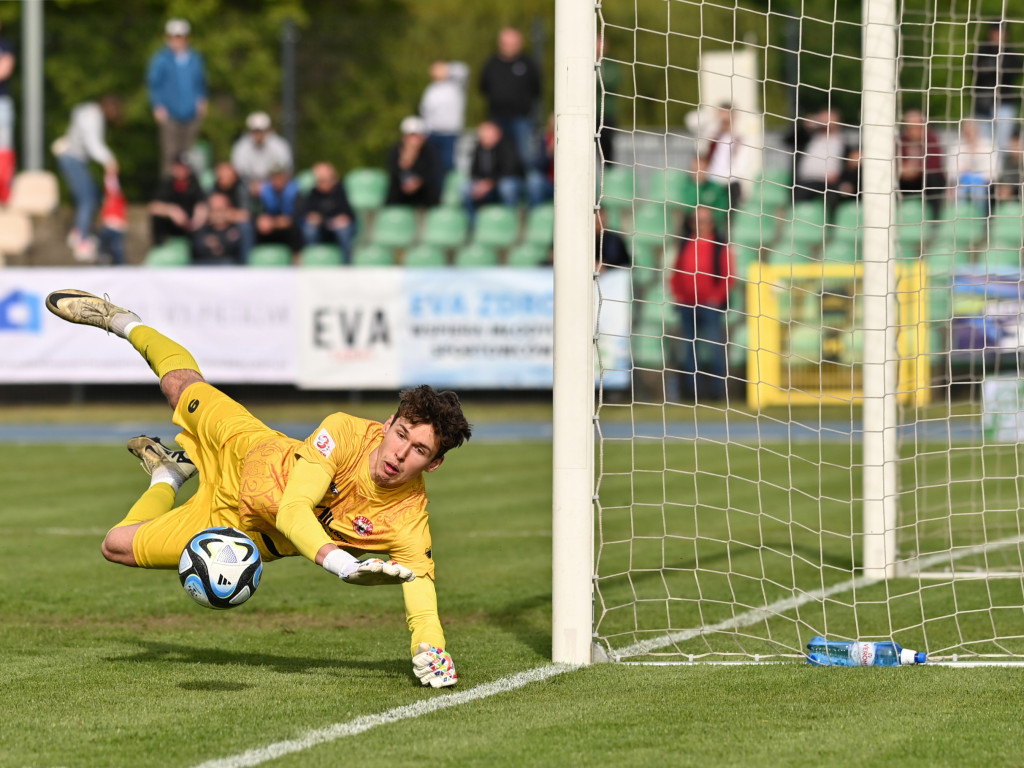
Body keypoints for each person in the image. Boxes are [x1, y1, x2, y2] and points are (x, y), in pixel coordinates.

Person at [43, 289, 470, 688]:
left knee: (115, 545)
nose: (400, 452)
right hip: (246, 448)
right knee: (181, 386)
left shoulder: (407, 518)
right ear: (388, 424)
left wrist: (431, 650)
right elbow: (293, 509)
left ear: (433, 463)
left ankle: (168, 475)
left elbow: (421, 596)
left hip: (238, 532)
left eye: (419, 450)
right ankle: (121, 320)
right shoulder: (345, 432)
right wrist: (342, 564)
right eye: (401, 434)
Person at [670, 206, 733, 402]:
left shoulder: (720, 245)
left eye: (704, 220)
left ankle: (718, 392)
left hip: (710, 306)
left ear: (712, 223)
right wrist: (679, 295)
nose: (700, 224)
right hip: (687, 305)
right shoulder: (685, 244)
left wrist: (717, 297)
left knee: (715, 348)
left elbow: (729, 276)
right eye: (696, 220)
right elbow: (676, 273)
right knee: (689, 349)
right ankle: (692, 392)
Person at [52, 95, 123, 262]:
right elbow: (93, 144)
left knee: (94, 194)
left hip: (74, 159)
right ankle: (81, 239)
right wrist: (108, 159)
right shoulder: (93, 117)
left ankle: (78, 230)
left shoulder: (88, 113)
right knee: (87, 199)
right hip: (73, 159)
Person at [147, 18, 208, 176]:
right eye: (174, 37)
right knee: (170, 154)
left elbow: (201, 83)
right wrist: (157, 105)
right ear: (167, 38)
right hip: (170, 113)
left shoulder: (195, 59)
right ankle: (168, 188)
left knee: (189, 155)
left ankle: (189, 188)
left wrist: (202, 100)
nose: (177, 41)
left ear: (187, 38)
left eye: (181, 37)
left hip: (191, 113)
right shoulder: (161, 59)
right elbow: (154, 84)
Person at [479, 27, 542, 168]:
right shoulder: (492, 64)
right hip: (496, 119)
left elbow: (537, 89)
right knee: (496, 159)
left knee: (526, 157)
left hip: (522, 119)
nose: (509, 47)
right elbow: (483, 88)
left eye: (513, 43)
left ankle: (530, 181)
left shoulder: (527, 64)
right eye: (506, 43)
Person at [973, 20, 1024, 154]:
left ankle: (1001, 166)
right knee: (984, 144)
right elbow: (976, 71)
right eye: (995, 33)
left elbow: (1014, 70)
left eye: (1001, 33)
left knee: (1003, 143)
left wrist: (992, 66)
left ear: (1006, 35)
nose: (997, 37)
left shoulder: (1012, 54)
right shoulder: (981, 51)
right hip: (983, 106)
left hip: (1004, 104)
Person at [461, 120, 524, 224]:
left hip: (504, 183)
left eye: (486, 133)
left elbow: (509, 170)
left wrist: (490, 183)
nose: (482, 136)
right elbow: (473, 171)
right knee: (465, 188)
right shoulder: (479, 148)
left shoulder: (507, 146)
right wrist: (480, 185)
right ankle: (474, 224)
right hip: (486, 186)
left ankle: (512, 220)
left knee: (507, 186)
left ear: (497, 134)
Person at [298, 161, 357, 263]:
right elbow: (307, 215)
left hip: (338, 228)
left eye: (326, 180)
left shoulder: (340, 190)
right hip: (321, 228)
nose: (323, 184)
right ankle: (312, 262)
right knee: (309, 231)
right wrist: (314, 219)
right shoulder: (313, 193)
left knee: (344, 232)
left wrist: (340, 220)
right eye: (320, 181)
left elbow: (348, 215)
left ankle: (347, 265)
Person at [419, 61, 469, 178]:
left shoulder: (456, 85)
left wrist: (447, 68)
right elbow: (425, 111)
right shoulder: (431, 89)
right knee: (432, 165)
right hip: (432, 133)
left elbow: (464, 70)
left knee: (448, 165)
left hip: (450, 134)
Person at [230, 111, 294, 199]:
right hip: (247, 184)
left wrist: (266, 185)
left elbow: (285, 168)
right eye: (255, 131)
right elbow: (238, 170)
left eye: (261, 130)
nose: (258, 134)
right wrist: (253, 184)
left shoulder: (279, 145)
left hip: (273, 184)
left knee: (289, 190)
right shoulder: (241, 146)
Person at [148, 152, 208, 246]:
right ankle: (160, 245)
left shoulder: (194, 183)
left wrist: (197, 220)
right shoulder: (167, 183)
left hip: (190, 229)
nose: (182, 170)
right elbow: (153, 207)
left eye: (184, 167)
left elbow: (202, 204)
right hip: (170, 229)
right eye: (179, 167)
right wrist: (171, 210)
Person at [897, 109, 947, 220]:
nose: (913, 131)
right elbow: (895, 161)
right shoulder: (901, 141)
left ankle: (935, 221)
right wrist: (902, 169)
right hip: (905, 179)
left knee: (933, 179)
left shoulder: (931, 140)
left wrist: (916, 169)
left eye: (916, 127)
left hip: (925, 179)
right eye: (910, 127)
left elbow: (934, 164)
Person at [793, 108, 847, 205]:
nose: (826, 121)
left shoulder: (842, 141)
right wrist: (805, 127)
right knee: (799, 201)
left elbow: (849, 163)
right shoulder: (809, 137)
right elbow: (788, 140)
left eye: (829, 118)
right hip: (806, 181)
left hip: (831, 183)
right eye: (823, 117)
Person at [385, 116, 441, 208]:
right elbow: (395, 173)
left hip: (424, 195)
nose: (413, 140)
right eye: (410, 136)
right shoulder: (395, 150)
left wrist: (418, 182)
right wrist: (406, 158)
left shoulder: (430, 151)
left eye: (416, 136)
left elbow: (432, 173)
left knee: (431, 191)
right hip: (402, 195)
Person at [948, 119, 1000, 213]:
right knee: (960, 191)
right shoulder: (956, 148)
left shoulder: (988, 147)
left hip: (983, 185)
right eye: (967, 132)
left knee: (978, 188)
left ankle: (981, 217)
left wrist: (975, 173)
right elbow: (951, 172)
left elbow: (993, 173)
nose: (970, 135)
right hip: (960, 184)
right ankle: (960, 215)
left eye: (973, 131)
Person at [209, 161, 254, 259]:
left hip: (234, 224)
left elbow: (245, 215)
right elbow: (208, 213)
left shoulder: (242, 189)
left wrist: (223, 214)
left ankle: (245, 262)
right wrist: (223, 214)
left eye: (228, 177)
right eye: (222, 177)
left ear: (234, 176)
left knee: (246, 227)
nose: (225, 180)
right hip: (216, 223)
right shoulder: (214, 188)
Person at [255, 164, 303, 254]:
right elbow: (261, 214)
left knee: (295, 229)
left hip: (290, 229)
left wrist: (276, 222)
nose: (277, 180)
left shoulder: (295, 191)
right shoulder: (265, 192)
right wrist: (263, 221)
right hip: (271, 227)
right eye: (274, 177)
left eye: (280, 177)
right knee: (258, 229)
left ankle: (296, 257)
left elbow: (295, 216)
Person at [191, 192, 244, 265]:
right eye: (214, 210)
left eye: (221, 209)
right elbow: (197, 249)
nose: (218, 214)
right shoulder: (202, 230)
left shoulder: (237, 230)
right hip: (203, 267)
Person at [0, 20, 16, 203]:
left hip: (1, 103)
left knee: (4, 147)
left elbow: (4, 71)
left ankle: (4, 191)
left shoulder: (5, 45)